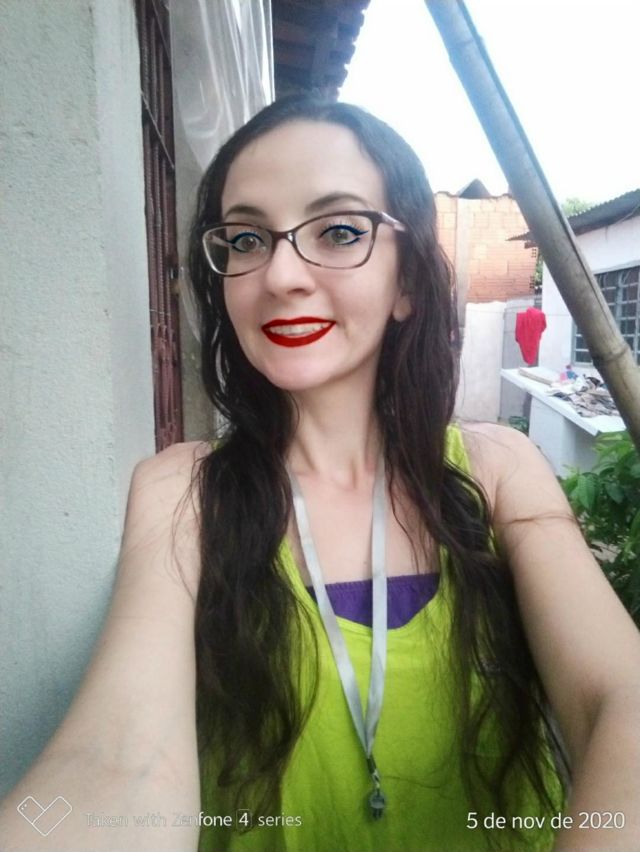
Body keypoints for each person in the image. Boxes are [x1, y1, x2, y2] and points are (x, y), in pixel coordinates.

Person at [1, 96, 639, 852]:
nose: (279, 275)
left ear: (408, 282)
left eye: (338, 231)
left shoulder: (499, 471)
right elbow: (118, 760)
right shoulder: (183, 492)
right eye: (246, 239)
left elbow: (618, 698)